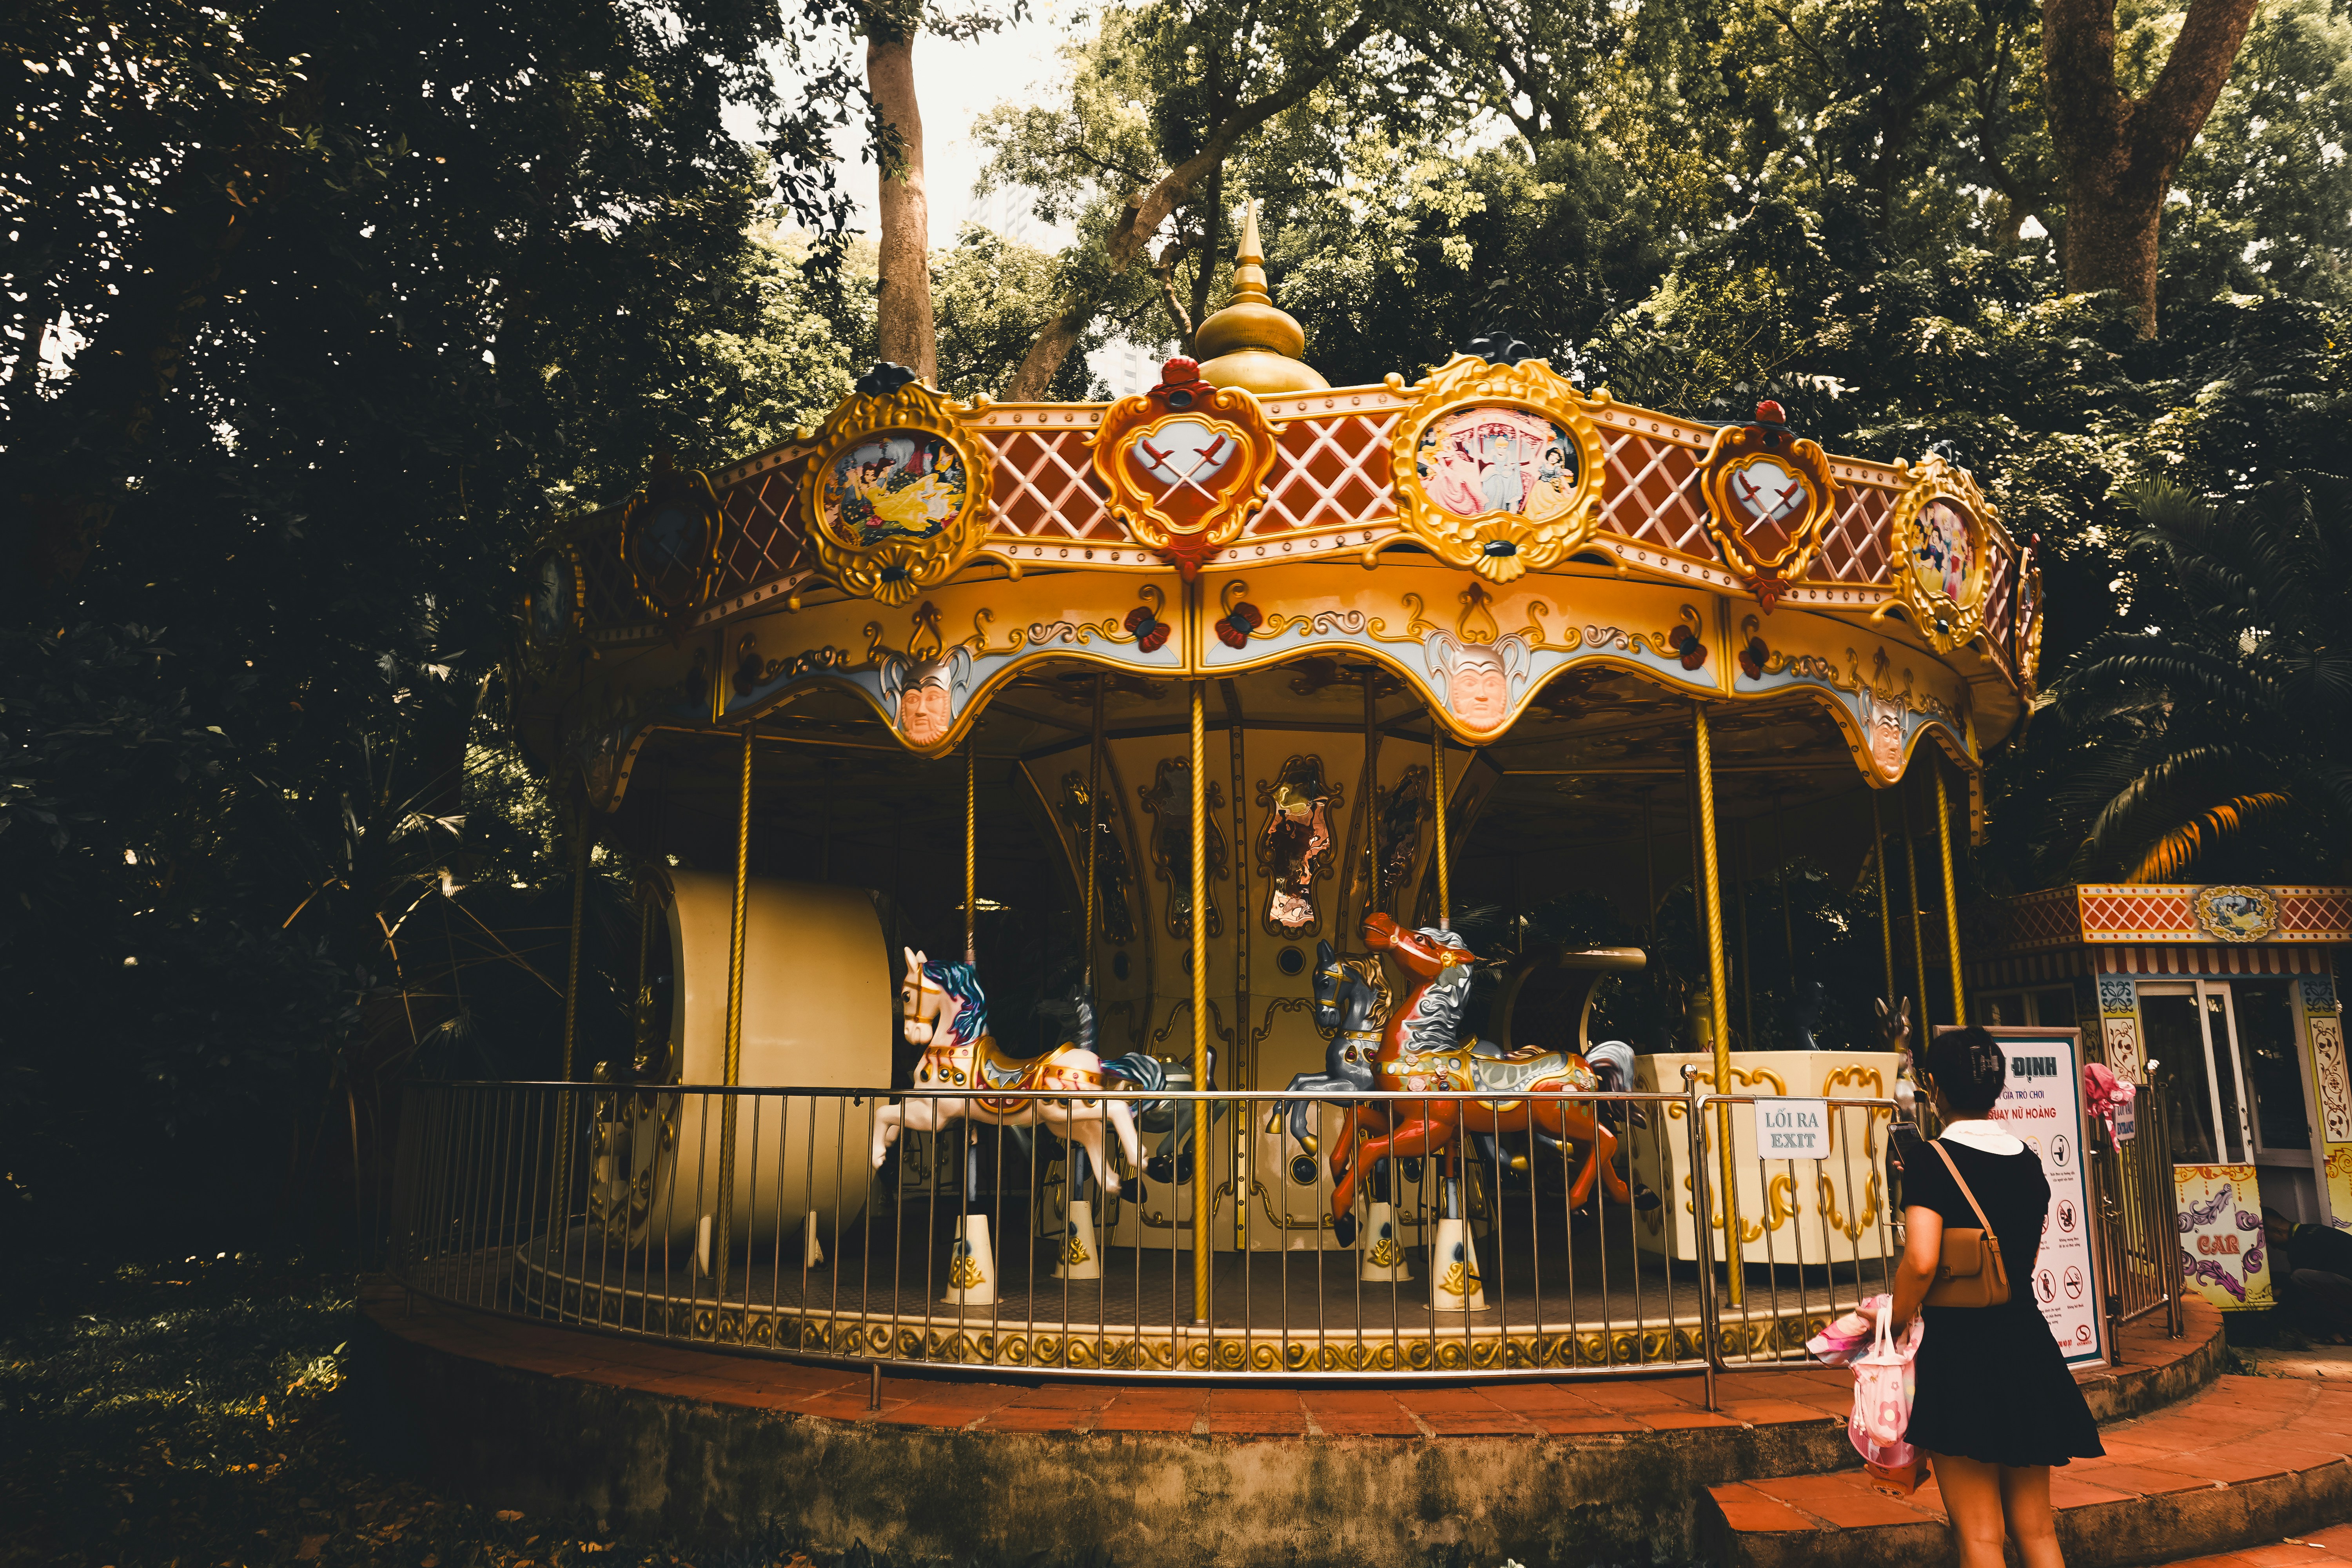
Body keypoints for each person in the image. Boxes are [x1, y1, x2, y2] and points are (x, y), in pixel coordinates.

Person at [1889, 1026, 2103, 1568]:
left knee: (1981, 1536)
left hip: (1959, 1354)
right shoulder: (2027, 1161)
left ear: (1934, 1085)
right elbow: (2024, 1261)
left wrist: (1892, 1321)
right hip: (2027, 1345)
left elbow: (1921, 1261)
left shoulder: (1929, 1160)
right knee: (2038, 1531)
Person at [2264, 1208, 2352, 1343]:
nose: (2273, 1247)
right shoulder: (2311, 1231)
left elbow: (2295, 1288)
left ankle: (2348, 1332)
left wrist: (2269, 1299)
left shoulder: (2300, 1244)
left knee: (2300, 1278)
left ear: (2278, 1231)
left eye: (2269, 1241)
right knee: (2289, 1280)